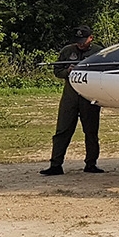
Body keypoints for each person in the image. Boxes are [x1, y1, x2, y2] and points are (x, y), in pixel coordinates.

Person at [41, 25, 103, 176]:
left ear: (91, 38)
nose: (80, 44)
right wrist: (67, 71)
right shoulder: (67, 51)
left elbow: (105, 72)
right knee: (62, 130)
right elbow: (57, 71)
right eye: (78, 41)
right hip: (70, 97)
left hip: (89, 97)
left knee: (91, 131)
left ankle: (91, 163)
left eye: (83, 40)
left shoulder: (99, 52)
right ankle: (56, 165)